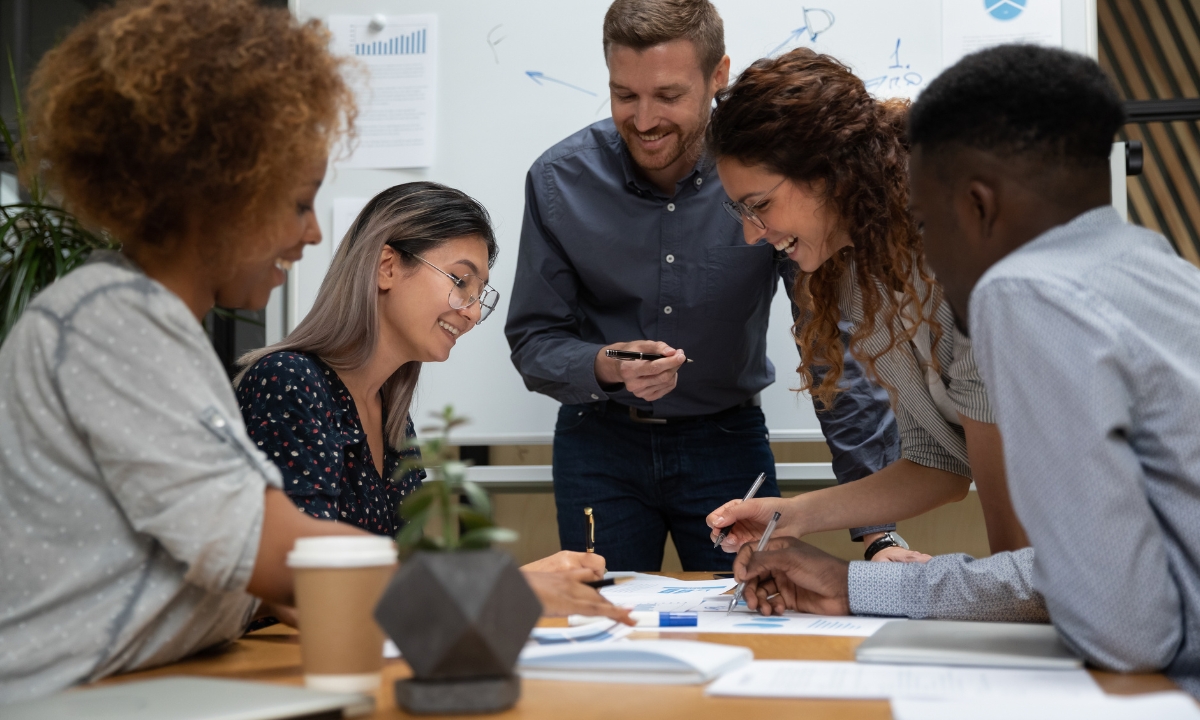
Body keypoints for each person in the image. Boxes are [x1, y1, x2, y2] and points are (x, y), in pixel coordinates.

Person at [0, 0, 623, 702]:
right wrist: (504, 591)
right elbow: (279, 554)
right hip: (75, 698)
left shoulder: (150, 325)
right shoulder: (108, 325)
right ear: (219, 192)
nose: (314, 237)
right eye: (299, 203)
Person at [736, 46, 1200, 697]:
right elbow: (1096, 578)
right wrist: (806, 526)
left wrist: (859, 584)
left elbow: (1123, 622)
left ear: (976, 207)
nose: (920, 252)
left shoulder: (1015, 292)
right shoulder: (1154, 265)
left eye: (924, 221)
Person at [504, 0, 897, 572]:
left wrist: (878, 534)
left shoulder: (763, 182)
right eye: (624, 95)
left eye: (668, 96)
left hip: (726, 441)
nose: (643, 120)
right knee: (603, 626)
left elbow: (832, 346)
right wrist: (609, 365)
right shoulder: (557, 180)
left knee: (747, 618)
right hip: (598, 442)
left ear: (718, 77)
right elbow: (535, 340)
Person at [704, 48, 1030, 565]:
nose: (749, 234)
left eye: (760, 206)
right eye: (740, 210)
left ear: (831, 171)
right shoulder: (863, 272)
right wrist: (790, 515)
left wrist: (860, 586)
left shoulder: (970, 256)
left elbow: (1018, 564)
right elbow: (940, 465)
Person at [235, 181, 606, 576]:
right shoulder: (288, 382)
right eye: (461, 282)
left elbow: (405, 577)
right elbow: (311, 575)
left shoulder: (391, 414)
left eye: (480, 295)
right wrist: (517, 585)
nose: (473, 313)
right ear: (387, 267)